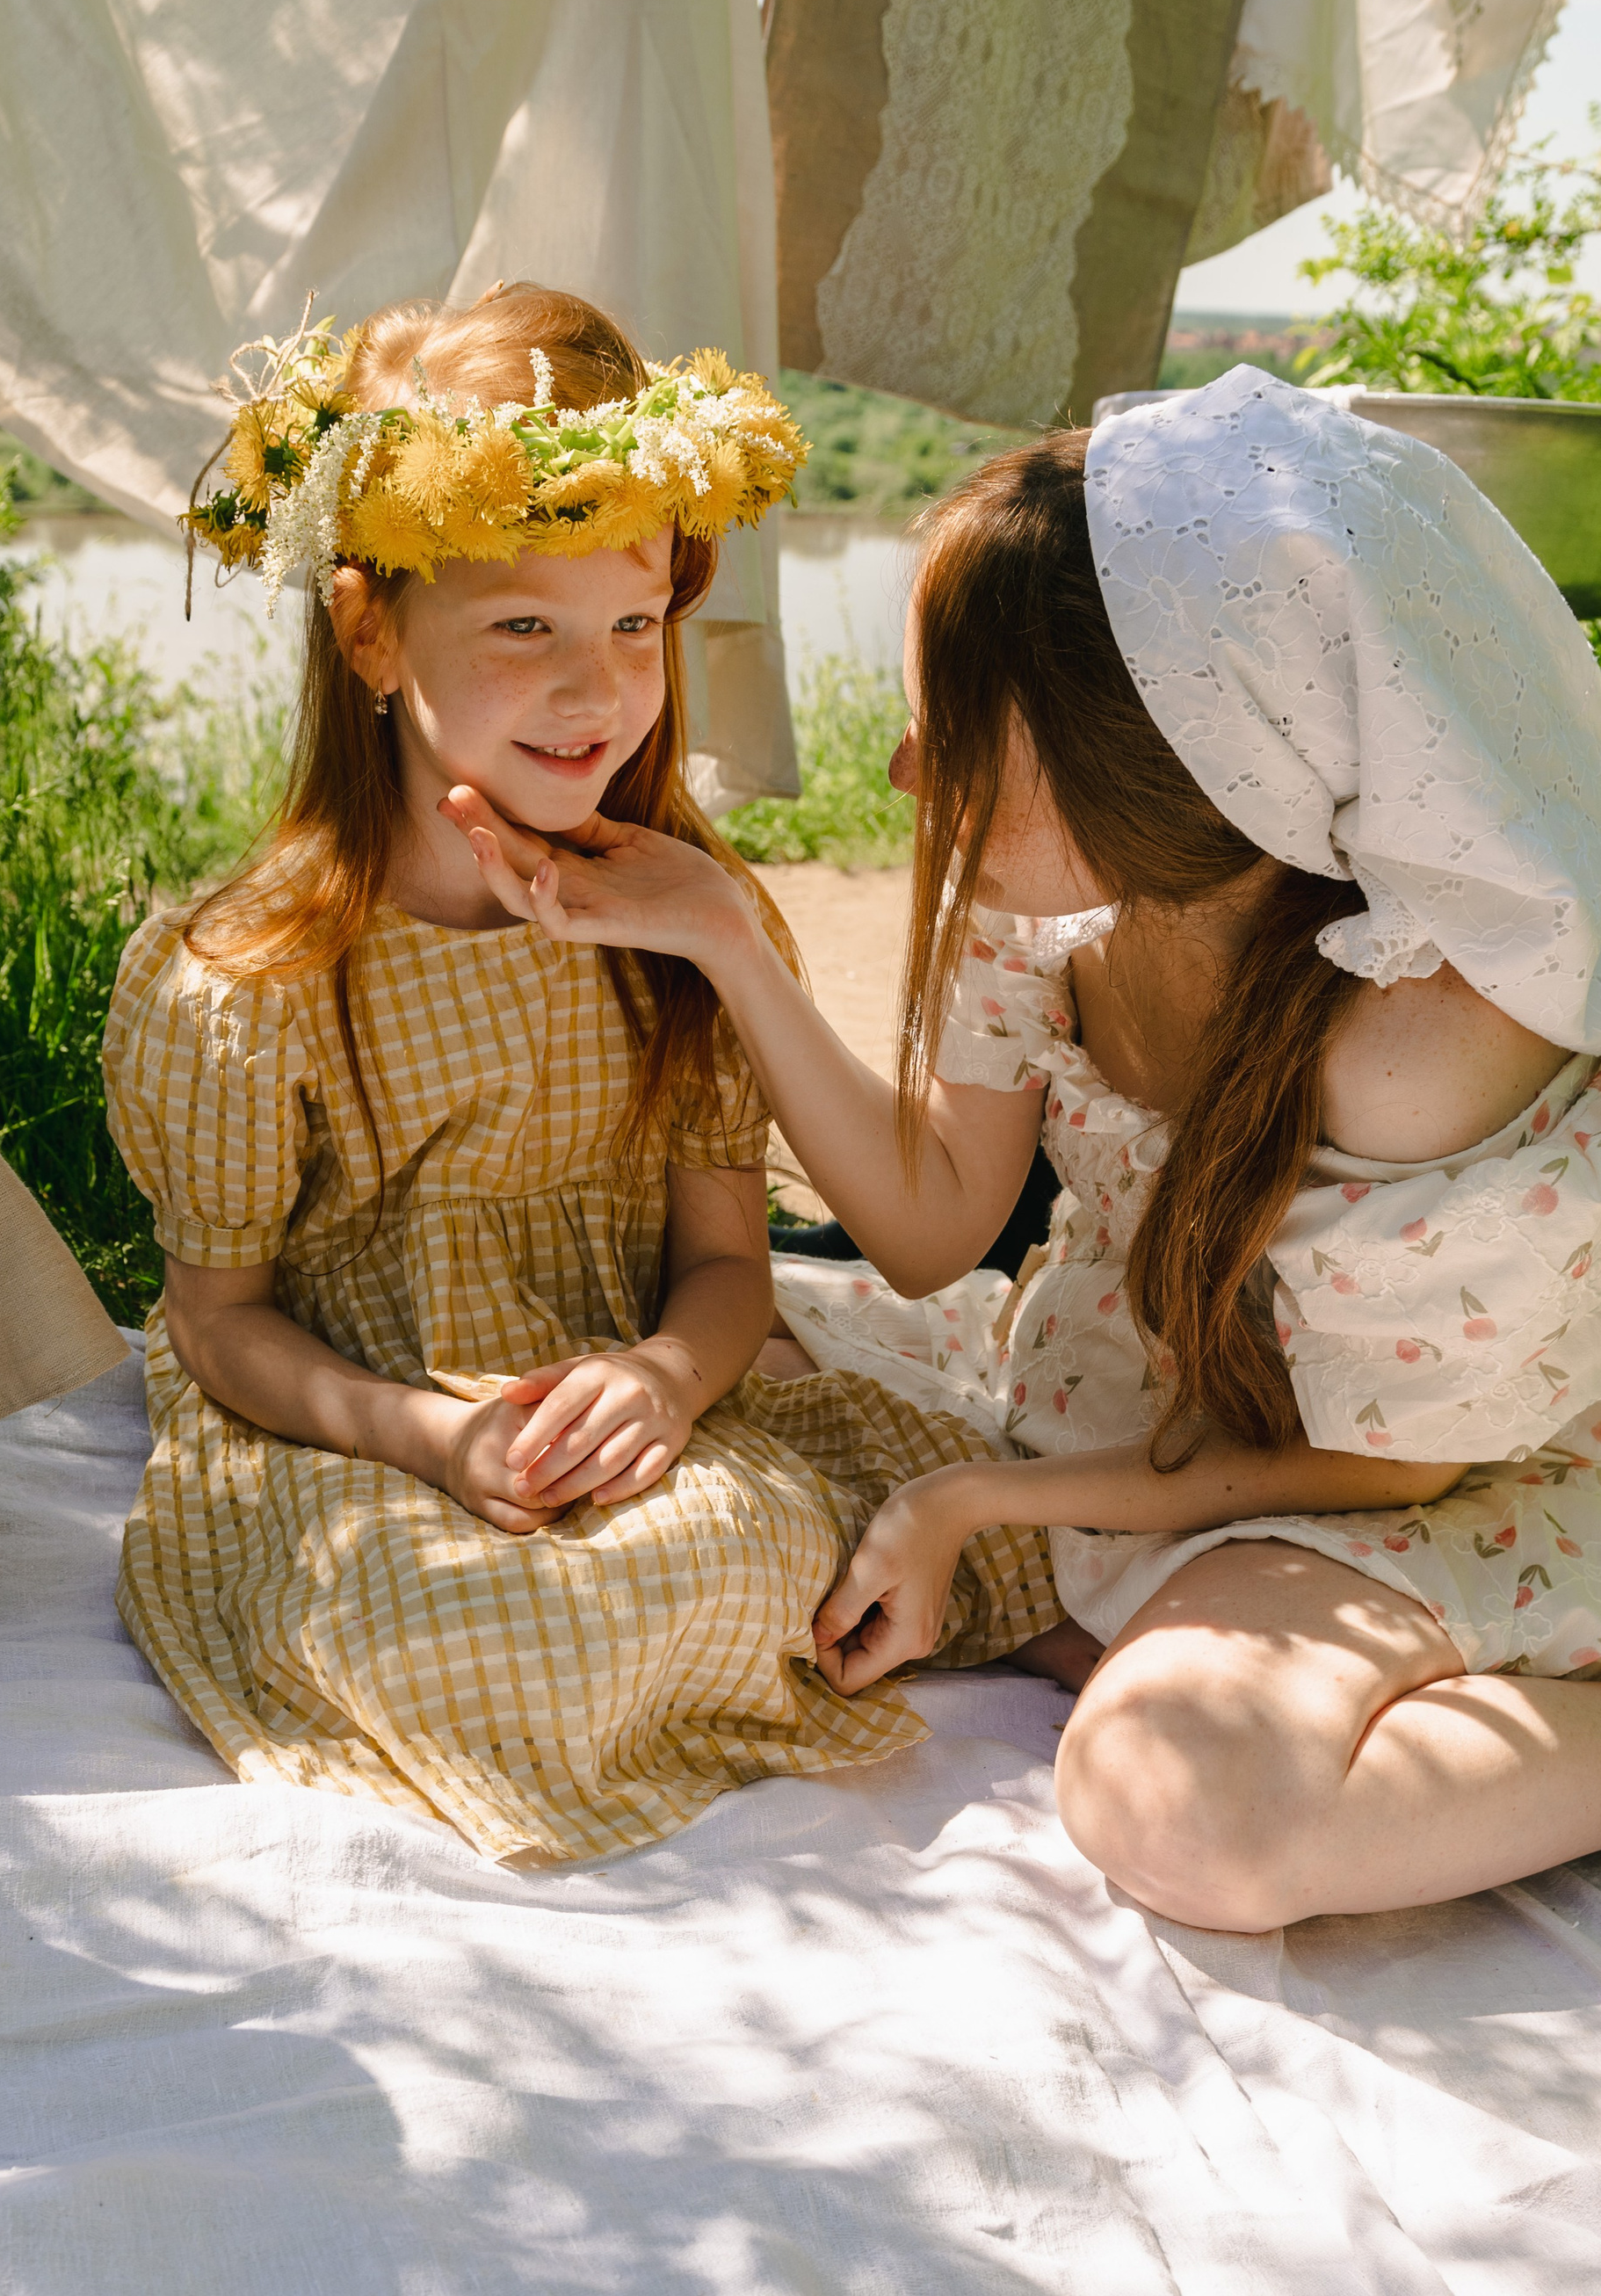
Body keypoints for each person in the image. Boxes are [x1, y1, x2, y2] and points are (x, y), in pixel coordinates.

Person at [446, 367, 1601, 1926]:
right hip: (1146, 1415)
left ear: (1154, 753)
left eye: (952, 734)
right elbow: (931, 1231)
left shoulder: (1414, 1040)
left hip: (1420, 1479)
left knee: (1181, 1798)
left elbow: (1397, 1454)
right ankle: (1106, 1608)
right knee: (663, 1406)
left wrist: (968, 1507)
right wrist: (726, 941)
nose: (905, 772)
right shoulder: (1050, 915)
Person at [102, 284, 1066, 1866]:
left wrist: (668, 1379)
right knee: (444, 1621)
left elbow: (725, 1268)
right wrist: (431, 1440)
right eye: (522, 627)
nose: (597, 690)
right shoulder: (247, 982)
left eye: (634, 625)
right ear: (369, 630)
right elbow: (219, 1323)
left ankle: (681, 1631)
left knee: (751, 1538)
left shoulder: (682, 924)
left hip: (625, 1403)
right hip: (360, 1423)